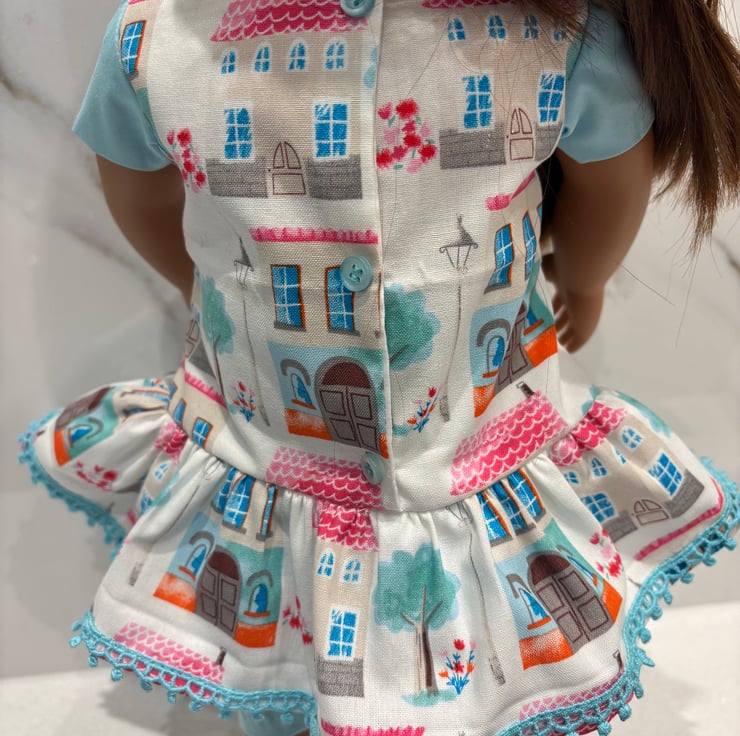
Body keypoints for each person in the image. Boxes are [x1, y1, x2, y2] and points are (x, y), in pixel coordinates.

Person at [18, 1, 740, 735]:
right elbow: (612, 179)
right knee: (286, 675)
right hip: (270, 450)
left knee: (475, 678)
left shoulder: (554, 35)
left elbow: (136, 189)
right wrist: (583, 278)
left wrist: (195, 281)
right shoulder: (156, 37)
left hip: (472, 436)